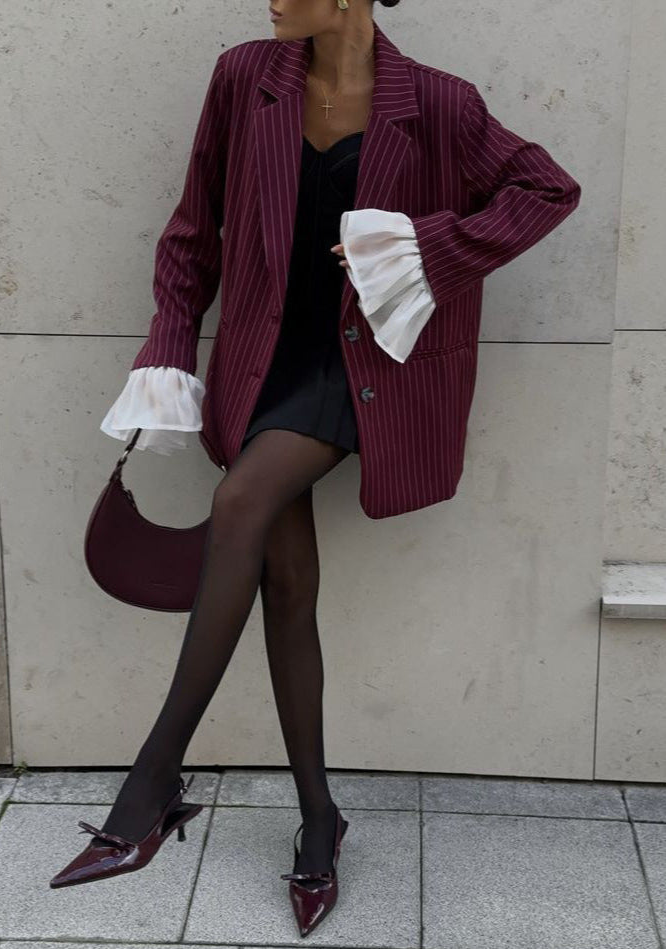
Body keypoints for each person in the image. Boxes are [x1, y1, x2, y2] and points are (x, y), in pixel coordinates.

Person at [50, 0, 581, 936]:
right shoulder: (244, 78)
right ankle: (320, 820)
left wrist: (425, 249)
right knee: (288, 587)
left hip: (355, 373)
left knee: (240, 501)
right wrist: (169, 347)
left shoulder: (440, 104)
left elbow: (546, 188)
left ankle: (150, 785)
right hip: (260, 366)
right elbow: (193, 231)